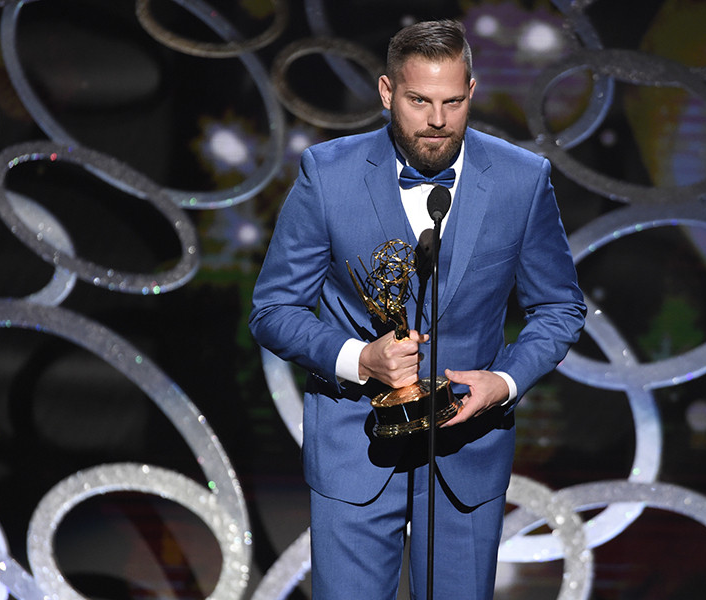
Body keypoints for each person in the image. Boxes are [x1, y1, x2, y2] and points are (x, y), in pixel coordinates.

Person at [249, 19, 586, 600]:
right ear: (386, 93)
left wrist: (503, 382)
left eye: (453, 102)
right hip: (354, 449)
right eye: (419, 101)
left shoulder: (520, 181)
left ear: (472, 93)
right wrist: (360, 358)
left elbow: (558, 307)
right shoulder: (327, 176)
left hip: (467, 450)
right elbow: (273, 308)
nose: (438, 120)